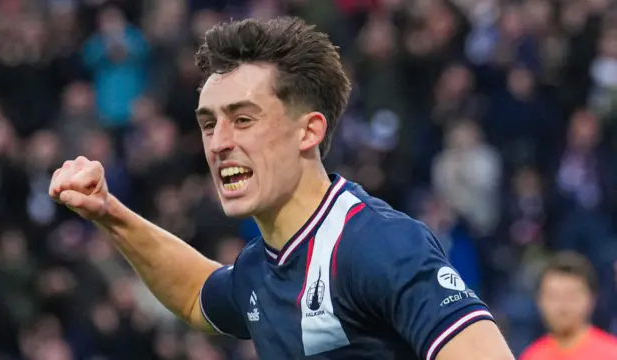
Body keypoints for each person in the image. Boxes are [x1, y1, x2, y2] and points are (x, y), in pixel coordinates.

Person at [49, 17, 514, 360]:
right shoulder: (261, 267)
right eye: (209, 124)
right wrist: (108, 211)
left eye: (243, 119)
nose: (219, 143)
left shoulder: (376, 244)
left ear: (308, 132)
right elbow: (196, 294)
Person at [520, 252, 617, 360]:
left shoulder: (611, 354)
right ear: (540, 300)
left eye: (571, 296)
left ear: (591, 298)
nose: (562, 306)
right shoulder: (532, 356)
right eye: (554, 296)